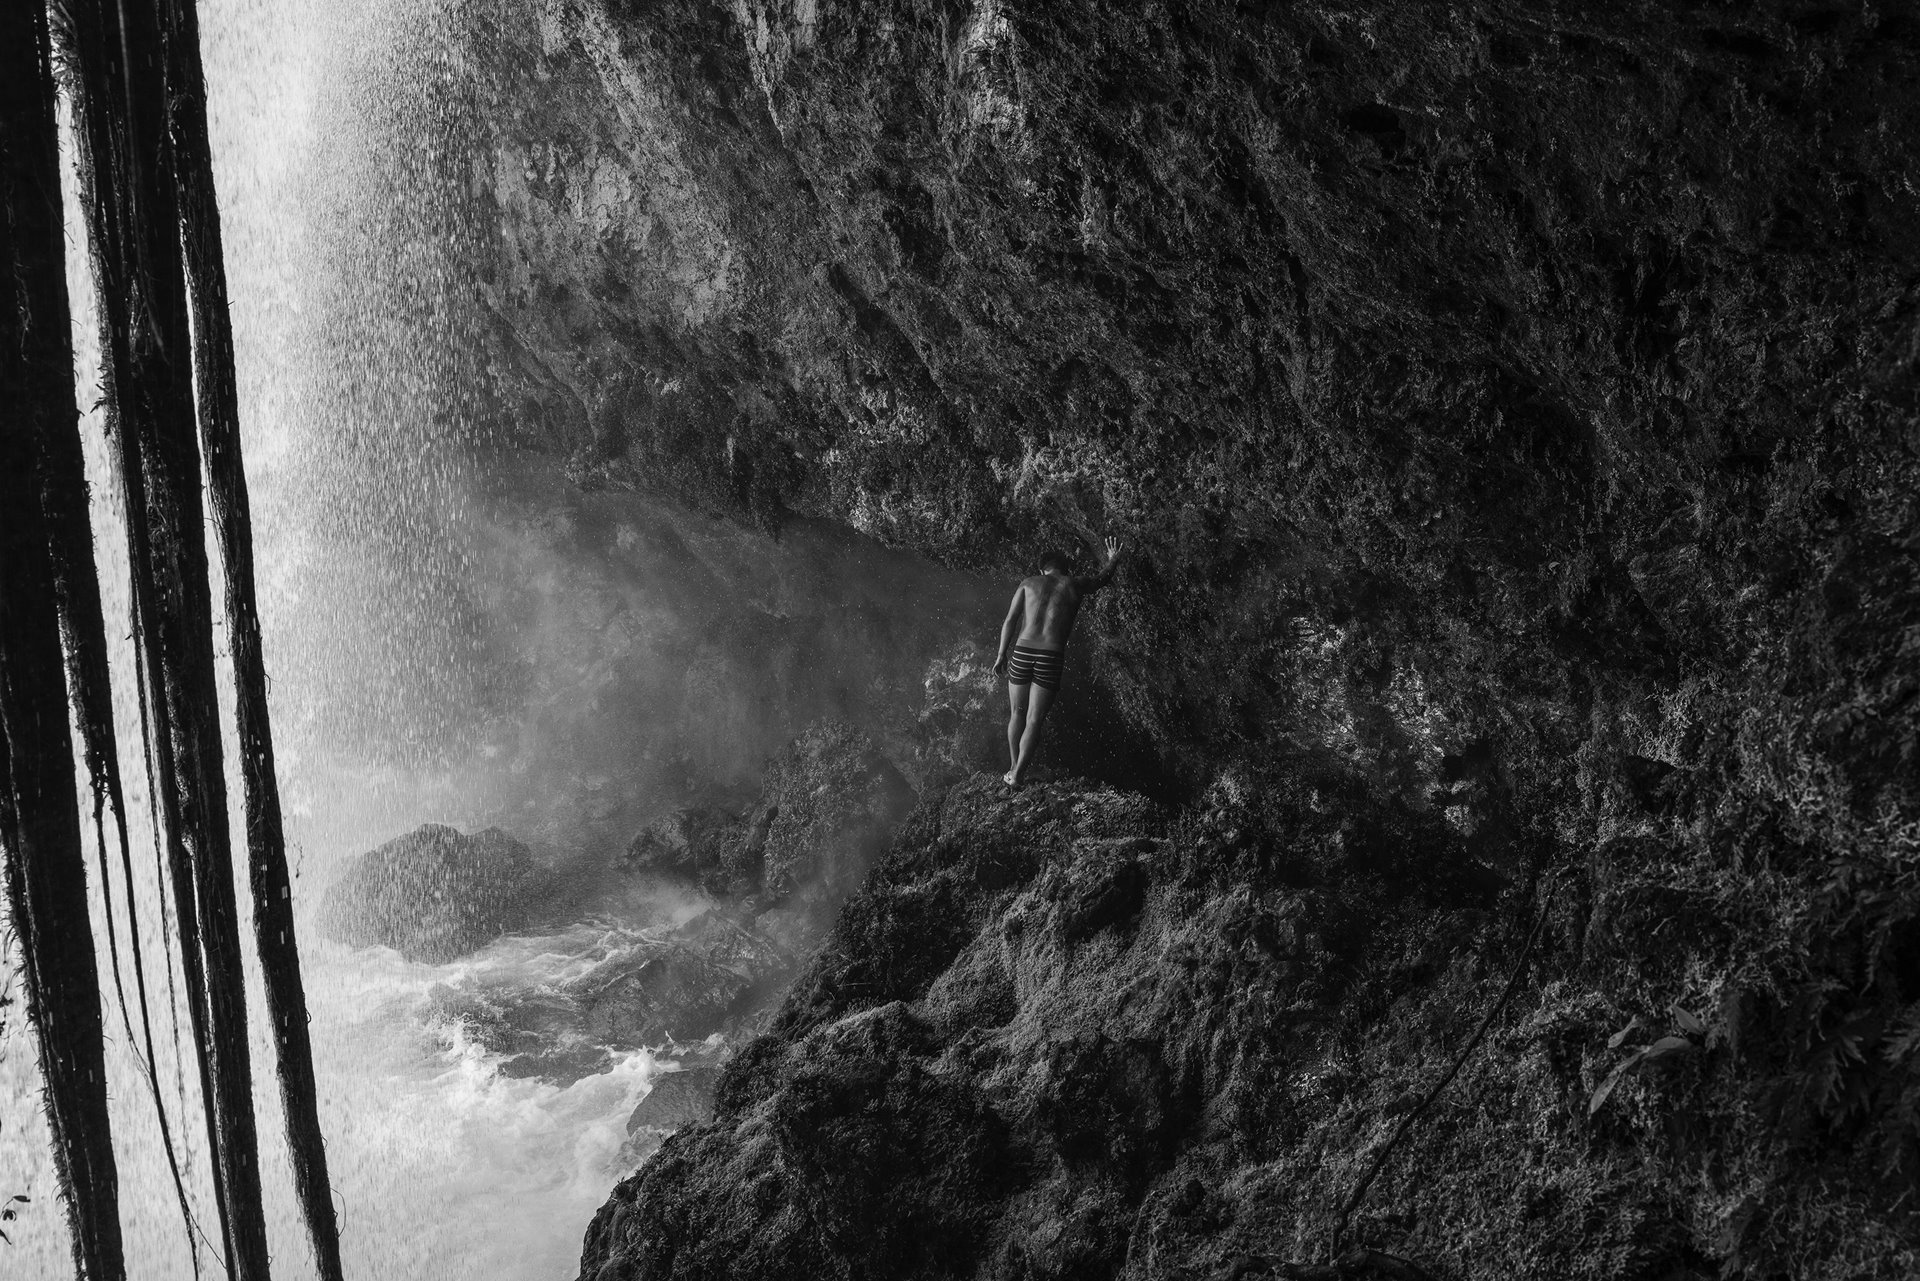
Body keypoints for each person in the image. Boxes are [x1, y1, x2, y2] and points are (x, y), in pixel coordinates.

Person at [992, 536, 1124, 786]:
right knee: (1034, 719)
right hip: (1050, 655)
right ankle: (1019, 775)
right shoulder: (1074, 584)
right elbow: (1103, 579)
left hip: (1022, 651)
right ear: (1066, 569)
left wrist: (1001, 654)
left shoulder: (1028, 583)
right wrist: (1113, 560)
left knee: (1017, 714)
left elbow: (1010, 620)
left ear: (1043, 569)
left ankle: (1012, 769)